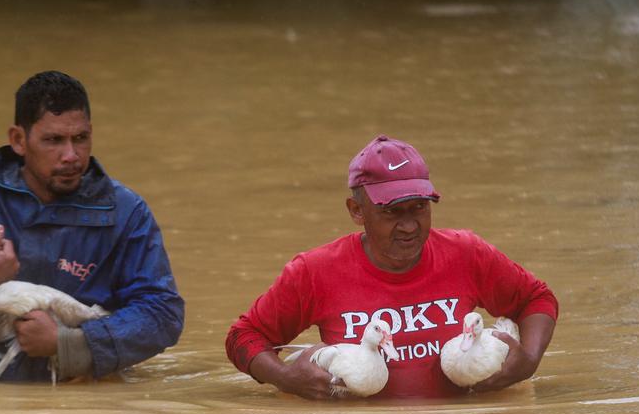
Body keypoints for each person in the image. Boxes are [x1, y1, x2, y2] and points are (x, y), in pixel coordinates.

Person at [0, 71, 184, 382]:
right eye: (53, 140)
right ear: (18, 140)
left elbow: (162, 314)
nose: (71, 155)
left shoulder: (126, 212)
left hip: (80, 389)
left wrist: (71, 344)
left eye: (80, 138)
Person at [225, 135, 558, 400]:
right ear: (357, 211)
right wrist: (285, 378)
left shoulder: (466, 253)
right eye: (391, 212)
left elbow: (537, 300)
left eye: (419, 209)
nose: (410, 226)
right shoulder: (315, 271)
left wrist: (527, 361)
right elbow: (245, 336)